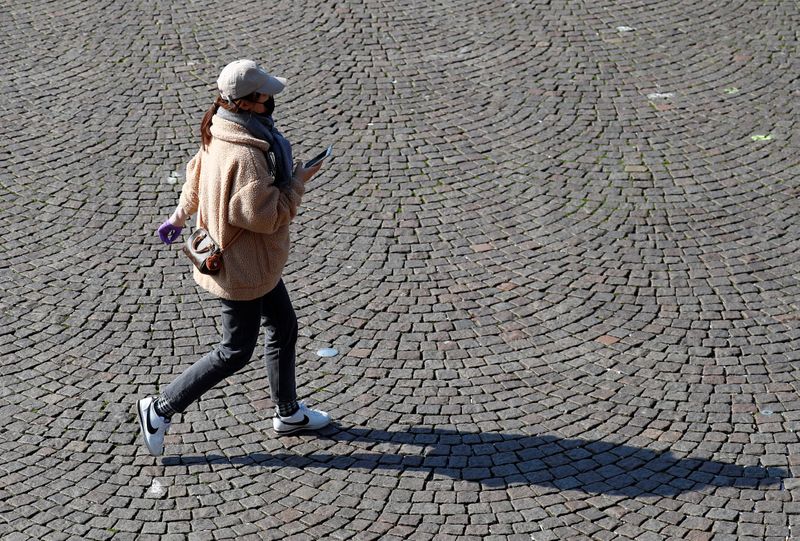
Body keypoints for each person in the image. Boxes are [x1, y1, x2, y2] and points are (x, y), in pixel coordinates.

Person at [137, 59, 330, 456]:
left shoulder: (219, 128)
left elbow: (195, 178)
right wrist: (298, 181)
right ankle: (159, 408)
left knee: (284, 324)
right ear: (247, 103)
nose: (271, 101)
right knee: (235, 349)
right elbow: (265, 215)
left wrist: (176, 219)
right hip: (244, 268)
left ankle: (288, 412)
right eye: (265, 96)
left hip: (255, 265)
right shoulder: (247, 157)